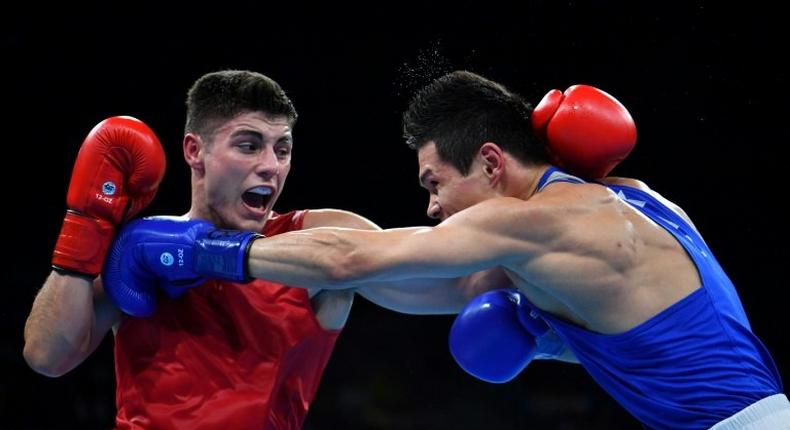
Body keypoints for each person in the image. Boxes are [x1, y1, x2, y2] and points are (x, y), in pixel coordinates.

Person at [103, 70, 788, 429]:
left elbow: (351, 261)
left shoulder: (536, 223)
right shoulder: (633, 196)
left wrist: (203, 252)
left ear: (491, 163)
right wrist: (556, 337)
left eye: (435, 183)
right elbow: (440, 286)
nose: (432, 207)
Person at [25, 70, 516, 429]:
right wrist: (85, 228)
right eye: (248, 145)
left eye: (282, 149)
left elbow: (459, 283)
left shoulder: (319, 238)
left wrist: (541, 206)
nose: (271, 166)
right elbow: (47, 355)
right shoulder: (139, 248)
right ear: (194, 150)